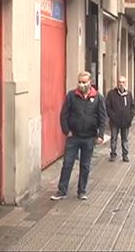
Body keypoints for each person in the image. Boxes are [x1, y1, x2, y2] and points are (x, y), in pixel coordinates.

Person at [51, 71, 106, 201]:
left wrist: (100, 135)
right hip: (73, 137)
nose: (81, 85)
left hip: (89, 137)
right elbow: (63, 114)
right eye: (79, 82)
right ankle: (62, 190)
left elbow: (103, 117)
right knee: (67, 164)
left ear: (90, 82)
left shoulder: (98, 97)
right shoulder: (71, 96)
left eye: (84, 82)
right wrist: (66, 131)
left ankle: (82, 191)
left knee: (85, 165)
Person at [105, 76, 135, 162]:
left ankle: (125, 155)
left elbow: (132, 106)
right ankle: (113, 154)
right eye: (119, 82)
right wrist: (112, 116)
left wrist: (130, 117)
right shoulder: (111, 94)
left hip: (125, 121)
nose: (121, 84)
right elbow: (107, 106)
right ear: (117, 83)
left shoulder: (128, 94)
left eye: (123, 82)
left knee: (125, 139)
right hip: (115, 121)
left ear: (125, 83)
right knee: (113, 138)